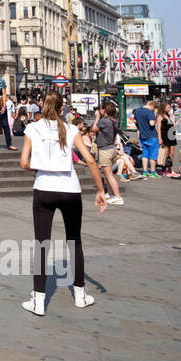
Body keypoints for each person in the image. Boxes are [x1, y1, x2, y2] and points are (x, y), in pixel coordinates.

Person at [18, 90, 109, 316]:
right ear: (62, 109)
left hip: (44, 189)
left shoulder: (32, 128)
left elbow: (23, 162)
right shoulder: (70, 129)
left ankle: (38, 300)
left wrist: (42, 165)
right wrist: (100, 190)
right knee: (74, 241)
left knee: (41, 243)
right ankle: (80, 295)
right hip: (70, 189)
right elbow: (89, 159)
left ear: (42, 105)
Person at [91, 101, 125, 206]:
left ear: (104, 111)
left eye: (101, 109)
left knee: (109, 174)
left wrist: (97, 117)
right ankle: (109, 194)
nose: (99, 111)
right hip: (111, 148)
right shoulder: (113, 120)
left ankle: (118, 196)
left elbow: (94, 129)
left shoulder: (103, 121)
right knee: (107, 173)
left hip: (105, 149)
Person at [134, 99, 159, 177]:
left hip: (143, 135)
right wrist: (156, 120)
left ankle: (145, 171)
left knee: (145, 153)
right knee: (153, 155)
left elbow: (135, 121)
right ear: (152, 105)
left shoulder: (137, 111)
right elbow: (151, 123)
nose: (154, 110)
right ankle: (152, 172)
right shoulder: (149, 112)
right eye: (154, 108)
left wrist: (139, 129)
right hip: (151, 135)